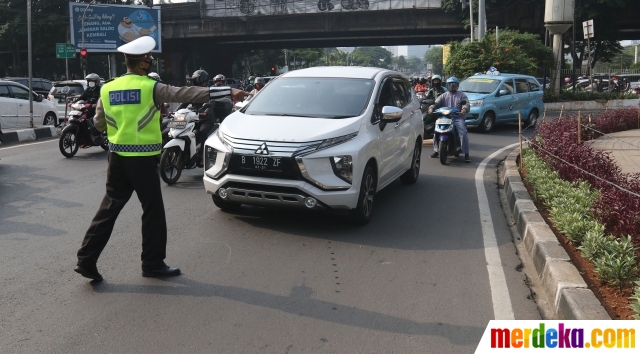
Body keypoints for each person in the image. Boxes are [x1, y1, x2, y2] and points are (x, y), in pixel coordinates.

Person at [74, 36, 220, 281]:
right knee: (152, 210)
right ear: (142, 63)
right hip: (142, 159)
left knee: (109, 207)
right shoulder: (150, 87)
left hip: (117, 157)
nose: (151, 62)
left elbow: (98, 124)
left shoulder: (107, 88)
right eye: (149, 59)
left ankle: (86, 259)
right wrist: (225, 91)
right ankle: (152, 263)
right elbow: (182, 93)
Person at [428, 76, 471, 162]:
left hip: (457, 118)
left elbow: (466, 104)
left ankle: (466, 153)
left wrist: (464, 109)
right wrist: (431, 108)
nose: (452, 86)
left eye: (454, 84)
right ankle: (437, 151)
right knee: (436, 131)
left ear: (457, 86)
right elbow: (436, 103)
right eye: (450, 84)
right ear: (447, 85)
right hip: (444, 117)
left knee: (463, 132)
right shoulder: (443, 95)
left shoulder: (462, 95)